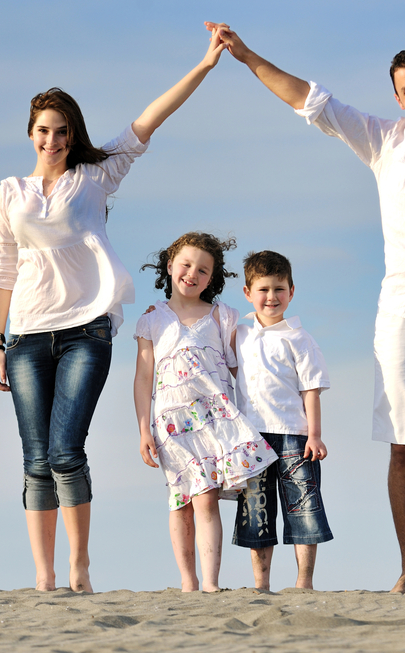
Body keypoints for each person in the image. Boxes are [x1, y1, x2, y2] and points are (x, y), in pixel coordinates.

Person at [208, 22, 405, 592]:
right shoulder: (383, 140)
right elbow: (309, 100)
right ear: (397, 98)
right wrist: (244, 55)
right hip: (403, 312)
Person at [0, 29, 227, 593]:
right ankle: (44, 577)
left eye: (62, 131)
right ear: (30, 134)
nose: (53, 140)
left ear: (74, 135)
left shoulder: (95, 176)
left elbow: (150, 120)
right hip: (25, 336)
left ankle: (79, 566)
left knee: (67, 449)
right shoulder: (9, 194)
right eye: (43, 131)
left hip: (86, 332)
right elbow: (1, 270)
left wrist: (206, 65)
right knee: (36, 457)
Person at [133, 232, 278, 592]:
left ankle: (210, 583)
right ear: (170, 266)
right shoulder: (151, 320)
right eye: (185, 265)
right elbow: (142, 378)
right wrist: (143, 429)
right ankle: (188, 581)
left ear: (211, 278)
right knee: (180, 500)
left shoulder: (223, 316)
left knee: (206, 496)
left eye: (203, 270)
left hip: (215, 419)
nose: (192, 274)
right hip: (171, 424)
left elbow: (243, 367)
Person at [231, 250, 333, 591]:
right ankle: (261, 584)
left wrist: (314, 435)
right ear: (248, 293)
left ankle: (304, 581)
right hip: (251, 437)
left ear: (291, 291)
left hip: (294, 435)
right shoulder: (240, 335)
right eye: (263, 289)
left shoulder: (300, 339)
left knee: (303, 507)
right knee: (256, 512)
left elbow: (311, 391)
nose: (271, 296)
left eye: (279, 288)